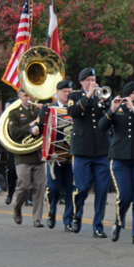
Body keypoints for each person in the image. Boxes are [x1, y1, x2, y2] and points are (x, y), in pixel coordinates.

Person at [99, 81, 134, 245]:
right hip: (120, 157)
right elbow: (102, 126)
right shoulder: (117, 108)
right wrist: (112, 110)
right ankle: (118, 222)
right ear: (126, 94)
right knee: (125, 196)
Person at [67, 68, 112, 237]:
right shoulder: (74, 97)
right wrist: (87, 96)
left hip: (101, 149)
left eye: (93, 79)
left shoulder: (102, 96)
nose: (92, 82)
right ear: (81, 82)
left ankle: (98, 226)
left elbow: (108, 118)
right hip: (82, 149)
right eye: (88, 80)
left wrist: (107, 103)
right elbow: (73, 113)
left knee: (102, 190)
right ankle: (77, 215)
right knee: (82, 187)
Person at [38, 80, 75, 231]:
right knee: (53, 188)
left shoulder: (76, 108)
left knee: (71, 189)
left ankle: (68, 221)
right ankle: (52, 212)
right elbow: (40, 127)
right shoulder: (48, 108)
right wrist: (34, 129)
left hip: (72, 155)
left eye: (69, 92)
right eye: (64, 92)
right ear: (57, 92)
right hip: (54, 156)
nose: (67, 94)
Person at [8, 90, 46, 227]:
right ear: (19, 97)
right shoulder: (14, 113)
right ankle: (17, 208)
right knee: (23, 186)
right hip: (23, 156)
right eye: (25, 96)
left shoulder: (37, 111)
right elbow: (15, 133)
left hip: (38, 155)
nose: (28, 98)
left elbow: (47, 128)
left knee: (39, 188)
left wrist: (45, 112)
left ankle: (37, 219)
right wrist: (31, 126)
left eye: (30, 95)